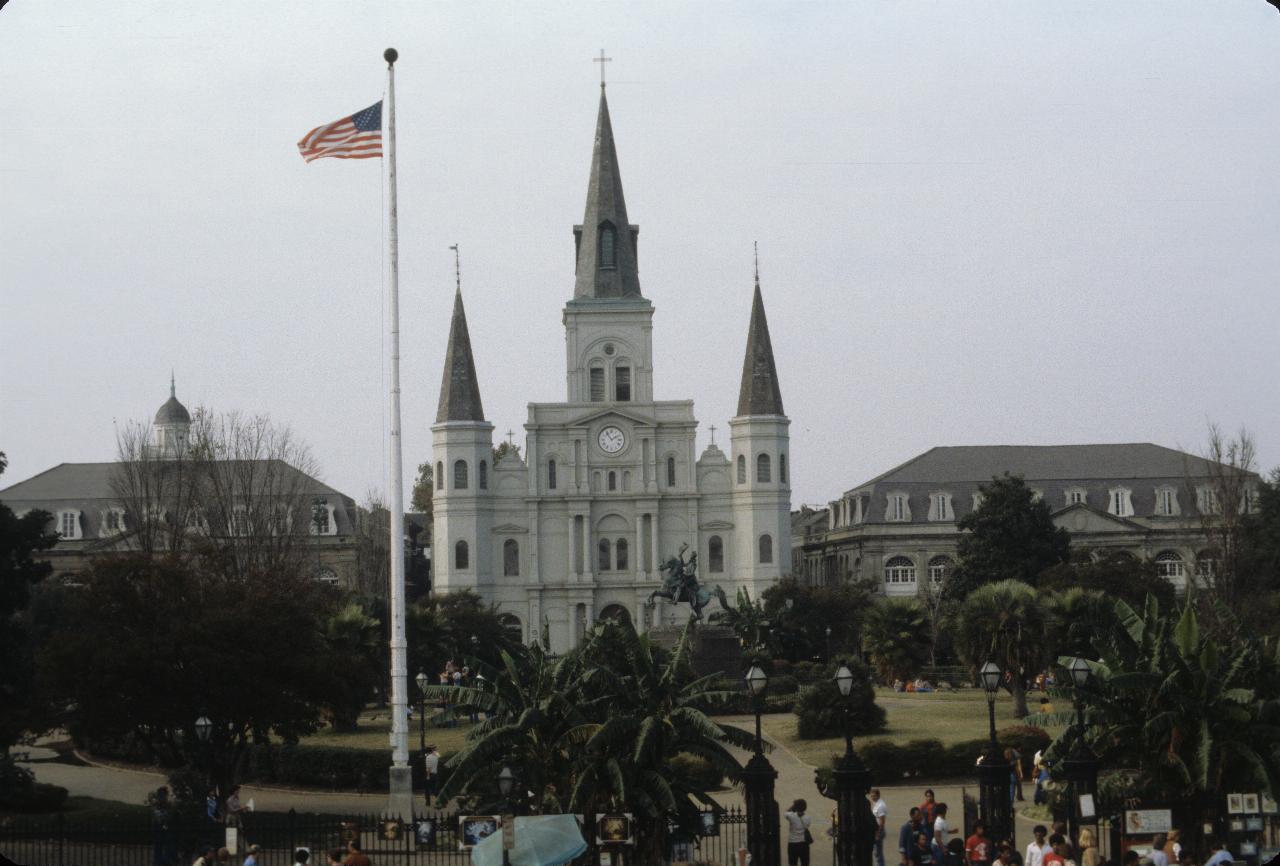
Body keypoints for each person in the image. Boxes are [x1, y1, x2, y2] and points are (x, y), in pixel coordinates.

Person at [784, 798, 813, 866]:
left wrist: (793, 806)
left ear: (796, 807)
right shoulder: (808, 818)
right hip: (804, 844)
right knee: (805, 863)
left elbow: (786, 813)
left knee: (792, 863)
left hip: (793, 844)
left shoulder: (791, 816)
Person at [871, 788, 889, 866]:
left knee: (878, 853)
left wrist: (878, 833)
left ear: (878, 795)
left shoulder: (880, 805)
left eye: (874, 796)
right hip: (876, 830)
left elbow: (882, 821)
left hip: (878, 831)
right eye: (871, 796)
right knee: (877, 852)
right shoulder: (877, 803)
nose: (872, 797)